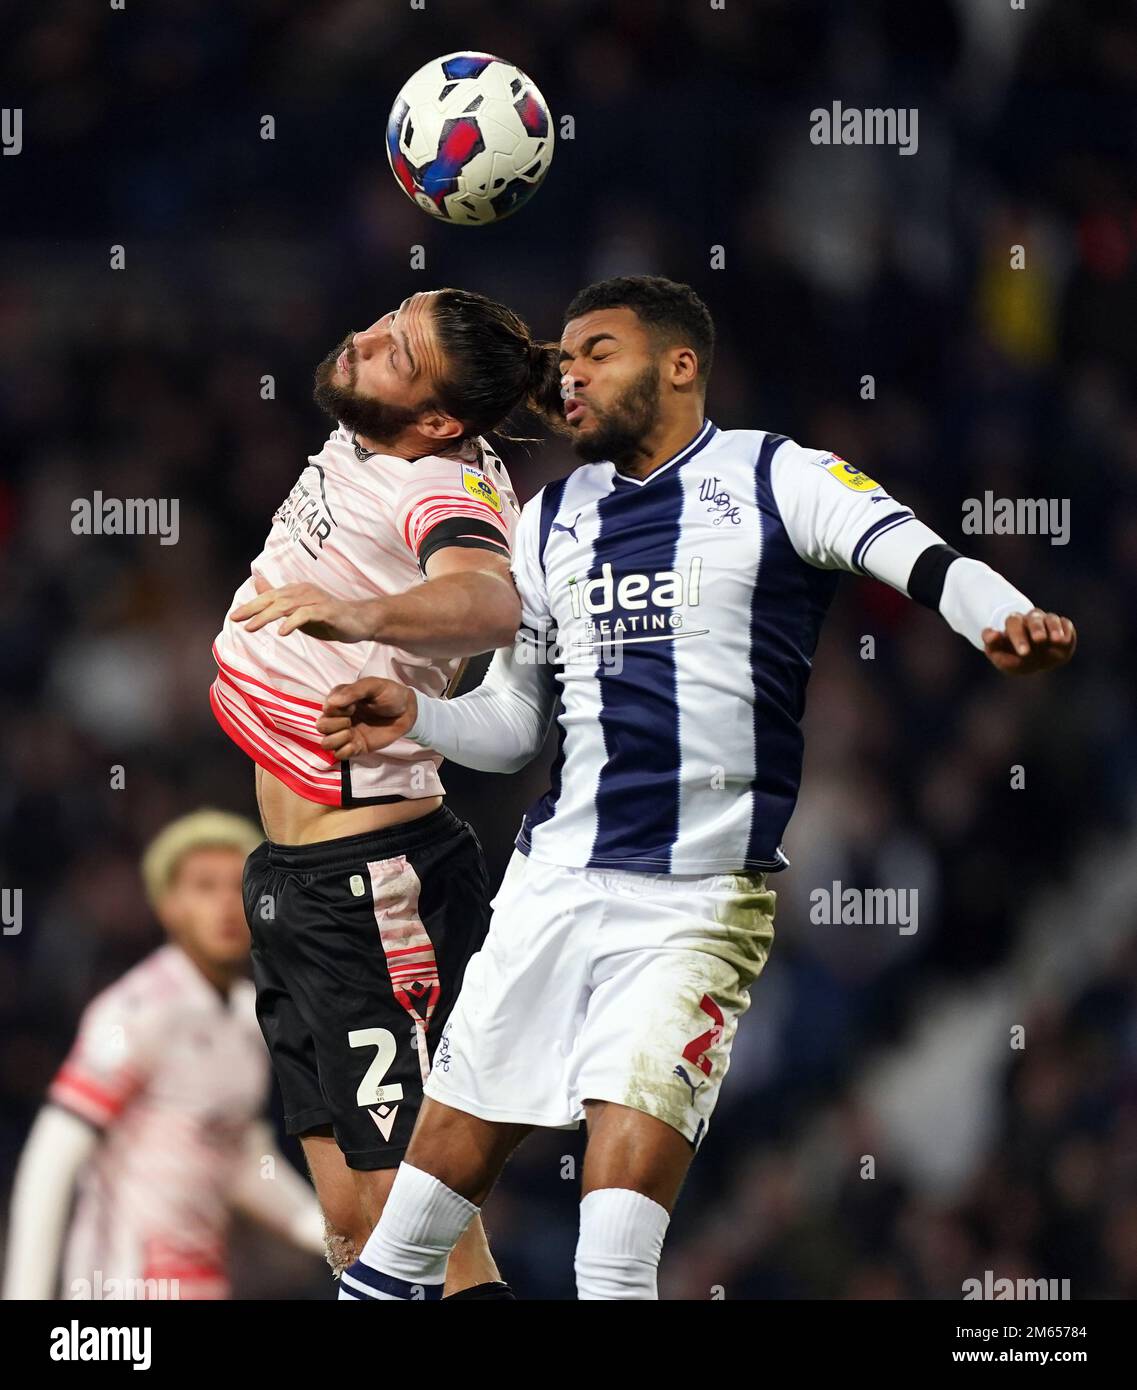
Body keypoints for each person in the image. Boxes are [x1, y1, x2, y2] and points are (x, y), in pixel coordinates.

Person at [310, 275, 1077, 1301]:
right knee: (405, 1241)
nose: (568, 374)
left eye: (598, 352)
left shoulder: (775, 476)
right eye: (565, 358)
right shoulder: (548, 522)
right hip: (551, 890)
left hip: (696, 907)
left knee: (614, 1251)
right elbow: (516, 729)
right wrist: (423, 720)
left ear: (680, 365)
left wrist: (1004, 619)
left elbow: (926, 560)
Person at [212, 288, 561, 1298]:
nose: (362, 340)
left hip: (373, 885)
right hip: (291, 879)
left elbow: (487, 600)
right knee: (353, 1222)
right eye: (386, 321)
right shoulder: (372, 425)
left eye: (395, 351)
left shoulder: (438, 481)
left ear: (440, 421)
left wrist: (354, 611)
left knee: (427, 1226)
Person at [2, 810, 325, 1301]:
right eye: (203, 887)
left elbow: (240, 1159)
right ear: (168, 905)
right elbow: (51, 1160)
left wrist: (334, 1238)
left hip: (204, 1281)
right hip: (121, 1288)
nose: (222, 904)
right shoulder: (137, 1011)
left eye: (235, 885)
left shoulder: (247, 1018)